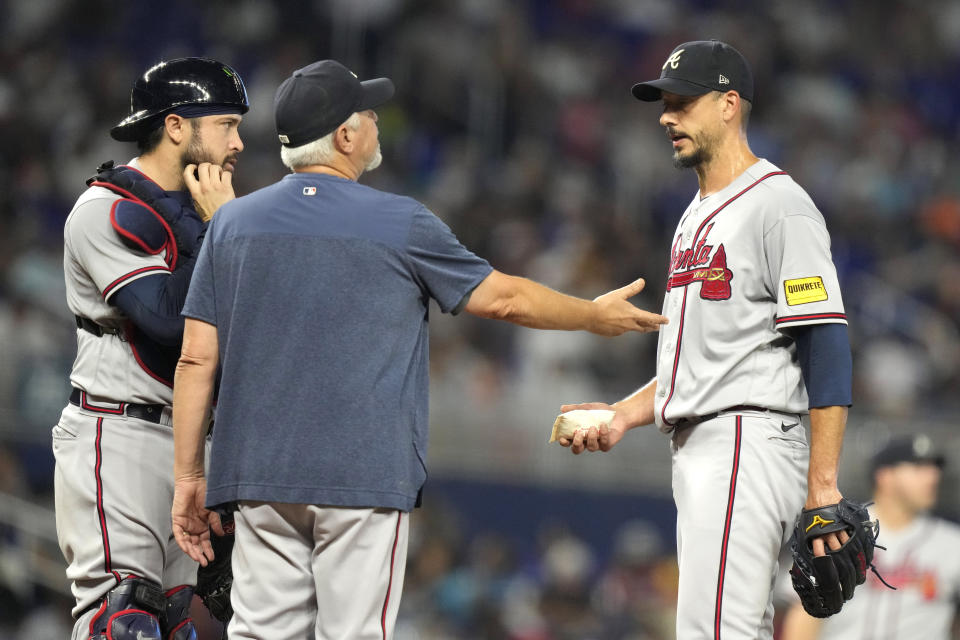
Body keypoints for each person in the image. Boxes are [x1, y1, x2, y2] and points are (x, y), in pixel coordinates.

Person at [169, 59, 667, 639]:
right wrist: (590, 315)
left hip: (255, 474)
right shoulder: (397, 221)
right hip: (361, 474)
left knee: (260, 632)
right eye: (369, 113)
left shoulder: (231, 223)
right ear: (345, 136)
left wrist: (188, 478)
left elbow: (196, 359)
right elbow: (502, 300)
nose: (378, 121)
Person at [558, 40, 855, 639]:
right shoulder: (696, 213)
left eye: (683, 103)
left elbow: (824, 339)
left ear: (728, 105)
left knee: (718, 630)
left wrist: (822, 484)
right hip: (710, 438)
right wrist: (621, 414)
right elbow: (698, 364)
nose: (667, 116)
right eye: (664, 104)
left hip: (745, 438)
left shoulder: (779, 206)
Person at [54, 57, 248, 640]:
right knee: (125, 621)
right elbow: (166, 320)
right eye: (226, 125)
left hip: (191, 449)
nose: (238, 142)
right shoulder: (101, 210)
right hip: (118, 437)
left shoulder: (208, 213)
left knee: (173, 627)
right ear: (175, 126)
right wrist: (222, 230)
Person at [780, 434, 960, 640]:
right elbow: (805, 613)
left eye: (935, 468)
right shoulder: (836, 534)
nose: (933, 477)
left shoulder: (953, 544)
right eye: (919, 468)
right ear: (884, 475)